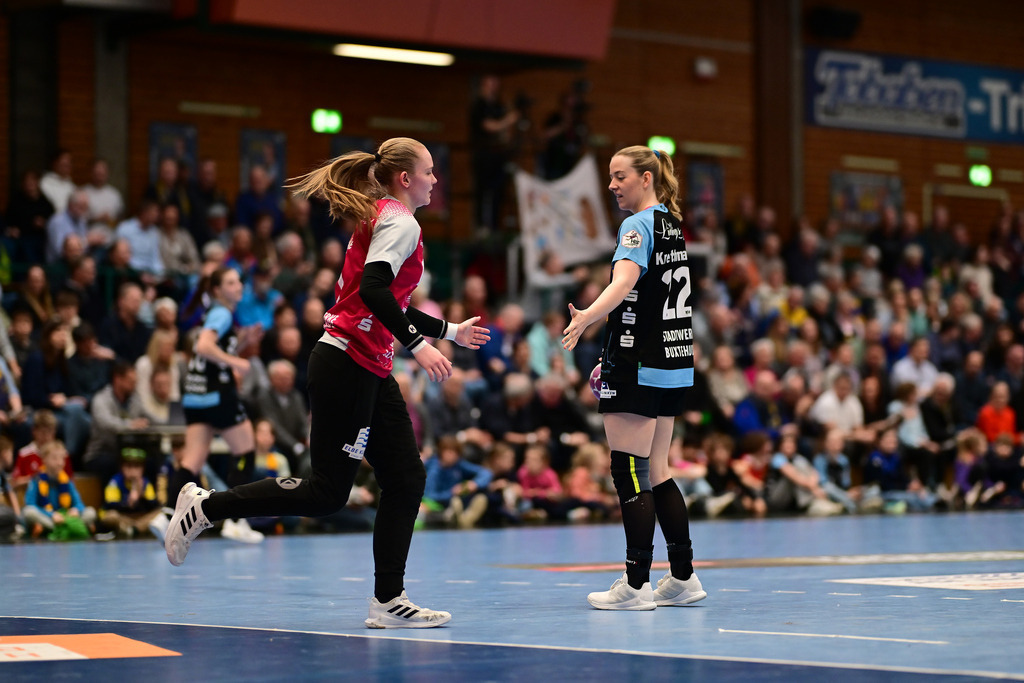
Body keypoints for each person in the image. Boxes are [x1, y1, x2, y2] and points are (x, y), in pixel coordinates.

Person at [162, 138, 489, 629]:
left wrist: (450, 331)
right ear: (405, 178)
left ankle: (388, 600)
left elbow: (386, 298)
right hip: (346, 364)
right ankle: (206, 506)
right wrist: (420, 346)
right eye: (429, 171)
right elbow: (373, 290)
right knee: (327, 492)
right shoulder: (401, 221)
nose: (435, 180)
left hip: (370, 366)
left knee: (405, 478)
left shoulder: (384, 215)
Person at [562, 145, 706, 610]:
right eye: (609, 176)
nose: (612, 185)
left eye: (619, 176)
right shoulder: (672, 225)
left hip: (639, 365)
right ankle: (683, 577)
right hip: (671, 363)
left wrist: (586, 317)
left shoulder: (637, 225)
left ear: (646, 178)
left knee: (628, 471)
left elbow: (624, 283)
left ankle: (636, 584)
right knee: (659, 471)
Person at [169, 266, 264, 545]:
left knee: (191, 461)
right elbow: (203, 346)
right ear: (217, 289)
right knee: (246, 450)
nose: (239, 287)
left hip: (196, 397)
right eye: (231, 283)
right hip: (217, 395)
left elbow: (214, 348)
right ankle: (236, 520)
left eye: (239, 282)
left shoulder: (216, 314)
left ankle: (165, 515)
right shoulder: (221, 313)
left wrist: (244, 340)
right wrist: (238, 363)